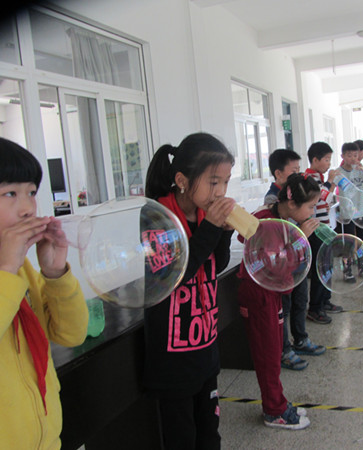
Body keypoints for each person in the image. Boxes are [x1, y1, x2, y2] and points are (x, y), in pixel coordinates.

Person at [0, 135, 89, 449]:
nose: (28, 208)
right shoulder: (7, 270)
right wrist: (6, 270)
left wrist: (55, 273)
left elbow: (71, 334)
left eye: (31, 192)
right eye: (10, 193)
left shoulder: (15, 268)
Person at [143, 132, 236, 450]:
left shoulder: (204, 214)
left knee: (210, 432)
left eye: (225, 182)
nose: (220, 191)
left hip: (205, 346)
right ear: (182, 180)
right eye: (213, 182)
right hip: (173, 361)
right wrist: (210, 228)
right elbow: (174, 276)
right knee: (182, 438)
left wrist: (224, 233)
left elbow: (215, 264)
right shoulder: (157, 218)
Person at [238, 173, 321, 430]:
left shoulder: (283, 219)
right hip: (259, 295)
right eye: (310, 206)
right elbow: (277, 263)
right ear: (292, 203)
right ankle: (274, 411)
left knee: (274, 353)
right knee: (268, 355)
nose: (312, 212)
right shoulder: (267, 220)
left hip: (272, 292)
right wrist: (300, 238)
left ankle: (278, 402)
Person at [265, 150, 325, 371]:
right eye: (294, 171)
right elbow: (277, 253)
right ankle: (285, 349)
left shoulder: (293, 203)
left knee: (301, 301)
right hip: (282, 272)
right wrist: (302, 235)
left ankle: (300, 339)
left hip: (297, 266)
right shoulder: (272, 209)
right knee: (284, 310)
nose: (312, 212)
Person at [304, 142, 342, 324]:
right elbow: (321, 196)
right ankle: (315, 308)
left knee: (328, 266)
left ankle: (325, 300)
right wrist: (331, 181)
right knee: (321, 268)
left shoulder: (318, 177)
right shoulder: (309, 178)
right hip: (316, 230)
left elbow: (326, 200)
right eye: (326, 159)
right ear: (315, 160)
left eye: (329, 160)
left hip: (324, 228)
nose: (328, 163)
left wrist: (329, 184)